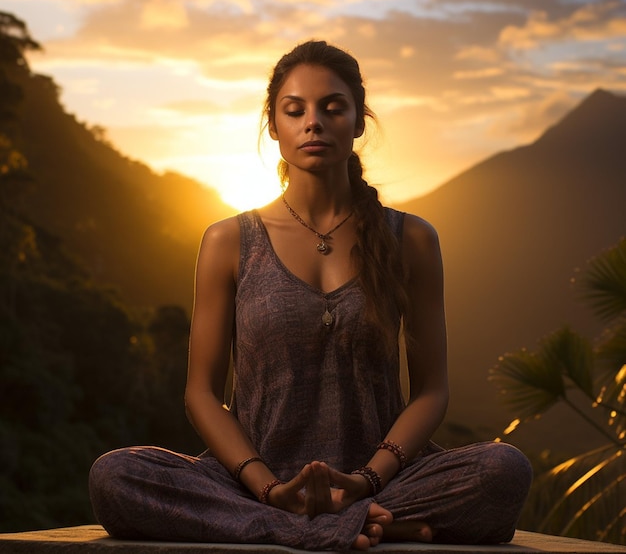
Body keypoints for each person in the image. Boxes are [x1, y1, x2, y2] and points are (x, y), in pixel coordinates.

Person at [89, 40, 532, 550]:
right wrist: (270, 489)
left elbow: (431, 389)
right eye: (294, 110)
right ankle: (324, 524)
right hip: (252, 485)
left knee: (503, 470)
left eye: (332, 107)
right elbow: (202, 394)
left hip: (382, 479)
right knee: (115, 476)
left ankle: (340, 516)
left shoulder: (410, 240)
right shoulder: (229, 241)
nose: (313, 122)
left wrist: (366, 481)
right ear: (274, 126)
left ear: (359, 122)